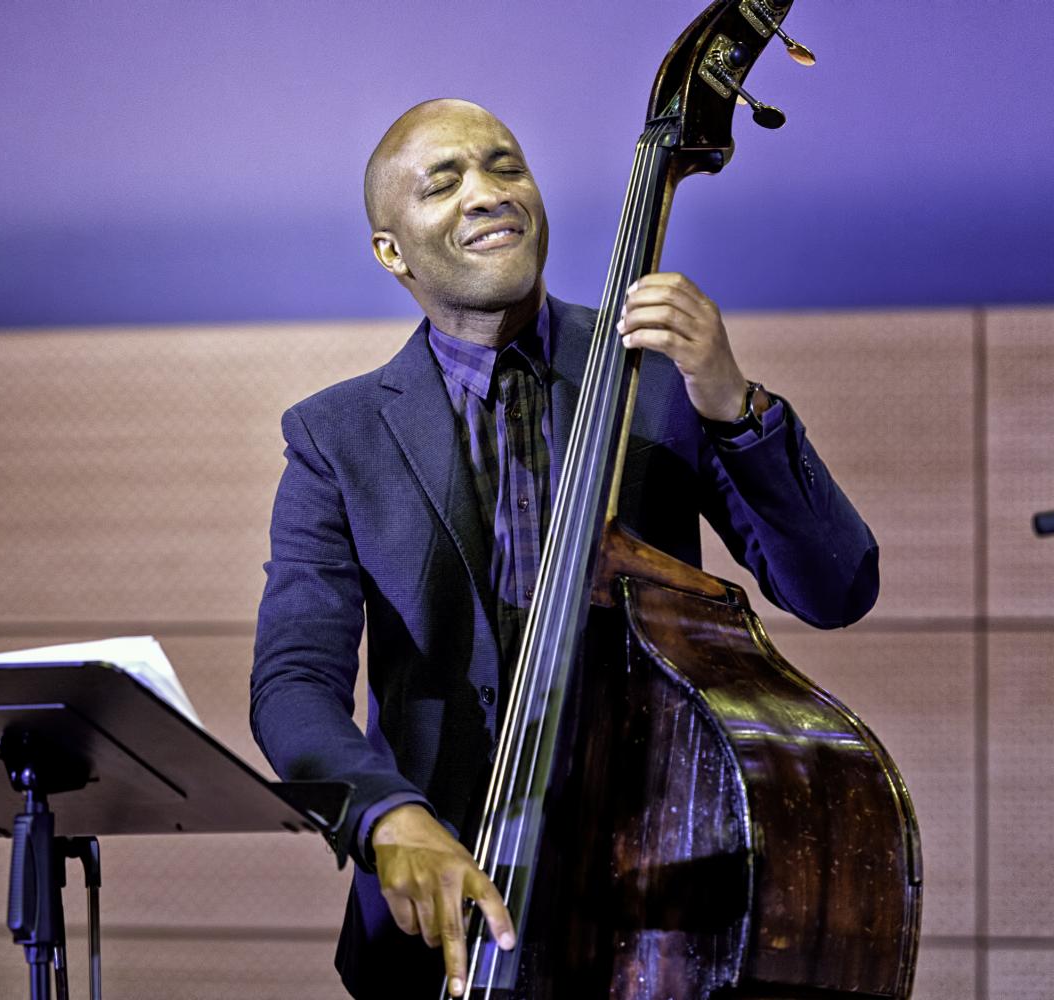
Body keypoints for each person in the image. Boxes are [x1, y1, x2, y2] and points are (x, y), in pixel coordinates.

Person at [250, 98, 878, 999]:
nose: (486, 193)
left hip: (665, 884)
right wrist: (386, 816)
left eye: (505, 166)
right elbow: (292, 684)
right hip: (445, 923)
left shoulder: (657, 376)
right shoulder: (334, 436)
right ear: (392, 251)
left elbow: (835, 586)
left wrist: (732, 401)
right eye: (444, 182)